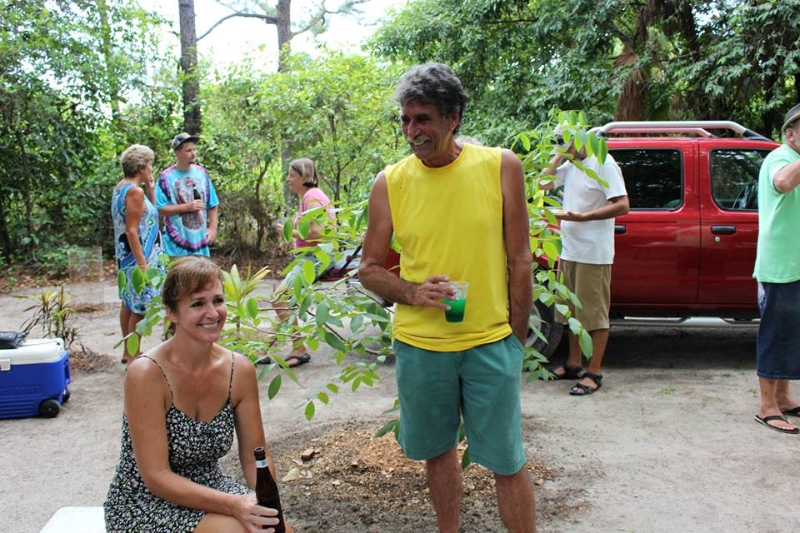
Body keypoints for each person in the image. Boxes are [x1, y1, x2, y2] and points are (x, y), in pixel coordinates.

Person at [358, 63, 536, 532]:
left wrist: (514, 338)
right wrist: (413, 292)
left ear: (453, 117)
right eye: (405, 120)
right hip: (421, 348)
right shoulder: (390, 183)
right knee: (437, 455)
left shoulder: (500, 166)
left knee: (507, 460)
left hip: (489, 343)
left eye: (423, 119)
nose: (412, 131)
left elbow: (520, 260)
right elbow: (369, 269)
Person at [104, 256, 292, 532]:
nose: (213, 313)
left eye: (217, 300)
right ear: (171, 312)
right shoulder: (147, 373)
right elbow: (156, 476)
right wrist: (235, 505)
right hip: (145, 501)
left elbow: (255, 458)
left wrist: (268, 504)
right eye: (197, 304)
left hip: (211, 488)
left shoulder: (238, 370)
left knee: (278, 531)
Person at [540, 128, 629, 395]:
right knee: (571, 312)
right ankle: (573, 364)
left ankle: (594, 372)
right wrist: (558, 156)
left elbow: (623, 204)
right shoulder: (572, 164)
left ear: (580, 140)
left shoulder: (603, 163)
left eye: (566, 143)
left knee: (593, 315)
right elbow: (543, 185)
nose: (563, 149)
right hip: (569, 250)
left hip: (593, 253)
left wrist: (583, 217)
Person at [751, 103, 800, 434]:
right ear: (790, 133)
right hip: (780, 265)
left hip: (794, 263)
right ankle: (767, 406)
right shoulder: (780, 158)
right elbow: (783, 183)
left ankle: (783, 398)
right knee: (775, 333)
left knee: (790, 333)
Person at [269, 157, 334, 368]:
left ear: (304, 176)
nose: (288, 179)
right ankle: (263, 348)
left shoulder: (312, 196)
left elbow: (317, 233)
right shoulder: (310, 195)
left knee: (280, 298)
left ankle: (299, 348)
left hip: (315, 256)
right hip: (313, 255)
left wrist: (289, 232)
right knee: (283, 299)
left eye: (292, 175)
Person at [111, 144, 166, 365]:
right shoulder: (135, 192)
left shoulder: (121, 188)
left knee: (128, 303)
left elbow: (150, 215)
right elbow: (132, 230)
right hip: (138, 257)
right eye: (150, 165)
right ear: (142, 166)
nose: (151, 169)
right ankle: (134, 352)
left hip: (125, 256)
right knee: (142, 306)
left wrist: (151, 189)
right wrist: (144, 266)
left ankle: (128, 350)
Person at [156, 133, 220, 259]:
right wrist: (187, 207)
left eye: (194, 149)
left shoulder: (201, 173)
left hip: (200, 246)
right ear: (177, 153)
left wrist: (212, 229)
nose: (193, 153)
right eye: (188, 150)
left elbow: (213, 204)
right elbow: (160, 209)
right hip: (175, 248)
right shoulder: (166, 177)